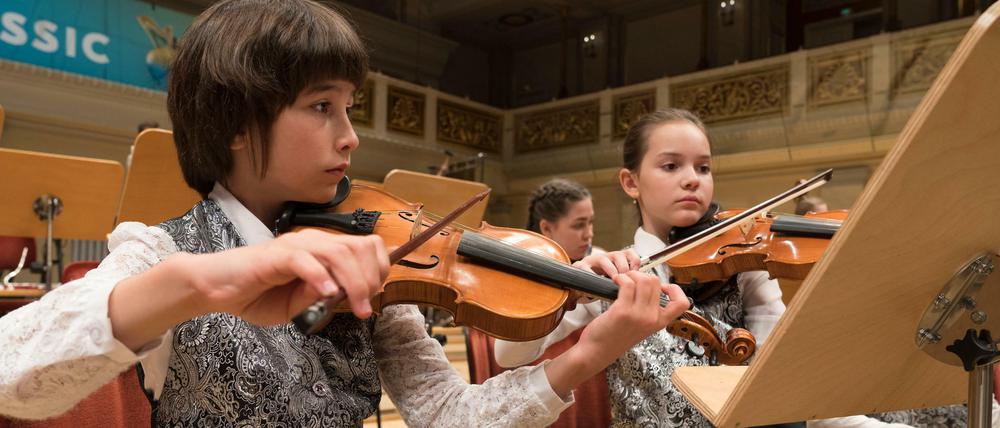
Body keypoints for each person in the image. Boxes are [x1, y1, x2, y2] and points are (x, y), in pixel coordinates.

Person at [0, 1, 690, 426]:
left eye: (350, 109)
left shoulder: (368, 260)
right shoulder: (160, 251)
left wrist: (591, 350)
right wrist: (203, 281)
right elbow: (14, 377)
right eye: (322, 106)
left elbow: (450, 417)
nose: (351, 136)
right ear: (237, 123)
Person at [495, 108, 979, 427]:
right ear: (631, 182)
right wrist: (574, 290)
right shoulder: (613, 274)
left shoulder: (742, 260)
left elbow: (777, 376)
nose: (692, 180)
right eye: (670, 166)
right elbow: (508, 357)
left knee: (941, 406)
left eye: (703, 168)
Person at [526, 178, 601, 261]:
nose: (589, 234)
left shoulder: (596, 258)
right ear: (547, 228)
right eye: (579, 225)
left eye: (590, 222)